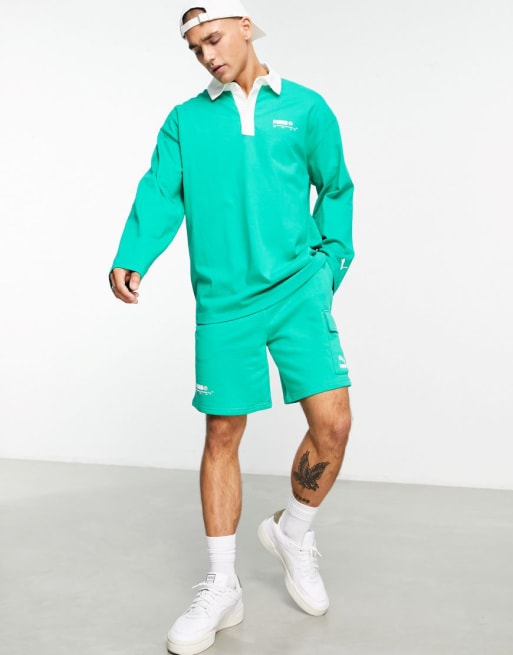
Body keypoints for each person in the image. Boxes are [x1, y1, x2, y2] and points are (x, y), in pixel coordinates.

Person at [109, 2, 354, 653]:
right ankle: (222, 585)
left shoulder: (305, 108)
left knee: (332, 424)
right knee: (222, 432)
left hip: (297, 291)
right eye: (195, 48)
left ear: (245, 27)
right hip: (224, 301)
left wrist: (331, 262)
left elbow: (336, 187)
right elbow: (160, 191)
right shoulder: (186, 121)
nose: (207, 55)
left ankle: (293, 531)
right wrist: (133, 254)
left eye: (213, 38)